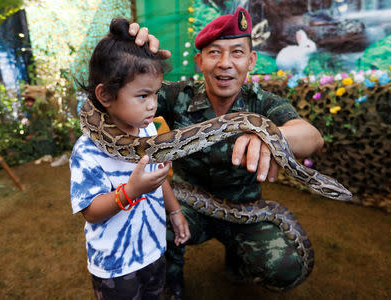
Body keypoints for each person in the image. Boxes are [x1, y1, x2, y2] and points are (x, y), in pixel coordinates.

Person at [128, 7, 324, 299]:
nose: (225, 64)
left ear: (251, 60)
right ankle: (171, 278)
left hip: (245, 209)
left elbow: (313, 137)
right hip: (187, 204)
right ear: (199, 61)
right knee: (148, 222)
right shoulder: (175, 95)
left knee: (287, 267)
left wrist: (272, 134)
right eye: (214, 53)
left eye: (237, 52)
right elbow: (128, 92)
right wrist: (126, 56)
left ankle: (238, 258)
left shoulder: (263, 104)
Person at [70, 18, 190, 300]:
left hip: (152, 249)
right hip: (115, 265)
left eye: (155, 93)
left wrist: (174, 211)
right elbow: (91, 210)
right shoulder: (87, 151)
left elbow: (160, 178)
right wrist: (131, 191)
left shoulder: (149, 129)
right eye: (142, 95)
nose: (153, 104)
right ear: (106, 95)